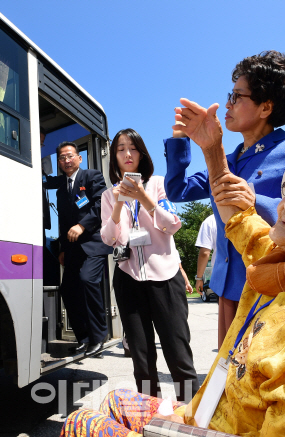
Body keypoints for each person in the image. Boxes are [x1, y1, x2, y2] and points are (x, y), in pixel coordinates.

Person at [60, 129, 285, 437]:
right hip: (205, 408)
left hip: (217, 427)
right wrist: (212, 148)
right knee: (116, 394)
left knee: (81, 422)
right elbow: (241, 221)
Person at [164, 51, 285, 348]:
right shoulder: (229, 158)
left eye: (237, 96)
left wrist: (256, 200)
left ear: (266, 107)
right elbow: (177, 190)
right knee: (229, 378)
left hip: (273, 286)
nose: (227, 104)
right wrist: (180, 140)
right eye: (229, 94)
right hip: (229, 286)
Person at [99, 128, 200, 403]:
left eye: (132, 148)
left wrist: (143, 197)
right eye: (120, 149)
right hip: (128, 278)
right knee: (141, 358)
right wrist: (120, 203)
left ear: (142, 153)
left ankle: (191, 414)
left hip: (165, 276)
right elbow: (110, 238)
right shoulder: (108, 196)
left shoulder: (158, 184)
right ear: (114, 157)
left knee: (178, 351)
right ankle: (150, 414)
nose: (127, 154)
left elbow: (172, 225)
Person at [44, 142, 112, 356]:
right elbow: (63, 223)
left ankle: (99, 336)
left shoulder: (92, 176)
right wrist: (62, 248)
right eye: (62, 158)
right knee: (68, 290)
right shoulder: (61, 188)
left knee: (87, 280)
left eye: (70, 156)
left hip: (93, 243)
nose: (66, 160)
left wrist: (83, 225)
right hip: (72, 248)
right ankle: (83, 337)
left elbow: (101, 204)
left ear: (79, 158)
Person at [195, 214, 217, 297]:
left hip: (223, 275)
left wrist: (199, 278)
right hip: (251, 269)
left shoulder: (210, 220)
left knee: (229, 309)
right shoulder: (253, 212)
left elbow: (204, 253)